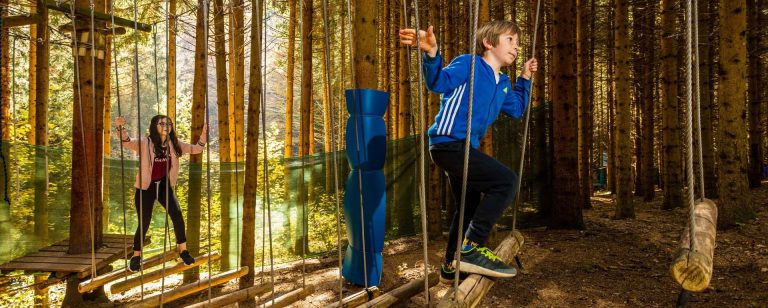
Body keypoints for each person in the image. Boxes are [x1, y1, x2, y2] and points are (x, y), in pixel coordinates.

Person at [399, 20, 538, 282]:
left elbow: (518, 109)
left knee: (468, 205)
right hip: (447, 144)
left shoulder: (503, 83)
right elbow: (438, 83)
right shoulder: (469, 64)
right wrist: (432, 53)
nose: (516, 47)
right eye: (510, 40)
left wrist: (525, 78)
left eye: (518, 44)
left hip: (465, 149)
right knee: (506, 181)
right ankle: (472, 247)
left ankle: (451, 265)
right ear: (488, 43)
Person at [114, 115, 207, 272]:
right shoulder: (145, 142)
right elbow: (127, 142)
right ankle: (136, 255)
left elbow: (196, 149)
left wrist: (204, 134)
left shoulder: (174, 144)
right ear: (154, 126)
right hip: (145, 188)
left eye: (169, 123)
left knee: (177, 215)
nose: (166, 126)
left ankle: (183, 250)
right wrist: (120, 127)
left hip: (165, 187)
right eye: (162, 123)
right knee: (144, 222)